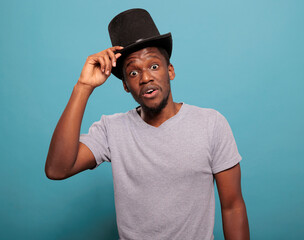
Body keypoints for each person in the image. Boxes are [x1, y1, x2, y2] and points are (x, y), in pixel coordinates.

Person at [45, 8, 249, 240]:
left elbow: (233, 207)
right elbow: (56, 169)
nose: (145, 77)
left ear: (169, 71)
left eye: (154, 66)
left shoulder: (211, 124)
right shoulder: (111, 130)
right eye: (133, 73)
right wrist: (83, 87)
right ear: (125, 86)